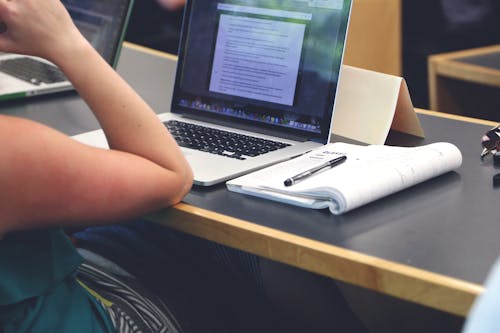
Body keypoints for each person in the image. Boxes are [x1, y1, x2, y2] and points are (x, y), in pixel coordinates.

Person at [0, 0, 193, 332]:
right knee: (215, 254)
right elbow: (169, 174)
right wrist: (65, 40)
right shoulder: (14, 151)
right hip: (79, 320)